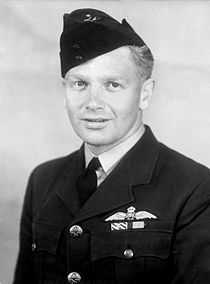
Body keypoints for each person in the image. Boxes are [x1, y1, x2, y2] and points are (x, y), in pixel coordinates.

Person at [13, 8, 210, 284]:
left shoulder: (195, 188)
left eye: (113, 85)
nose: (93, 102)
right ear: (64, 90)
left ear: (145, 94)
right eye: (80, 83)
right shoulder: (43, 181)